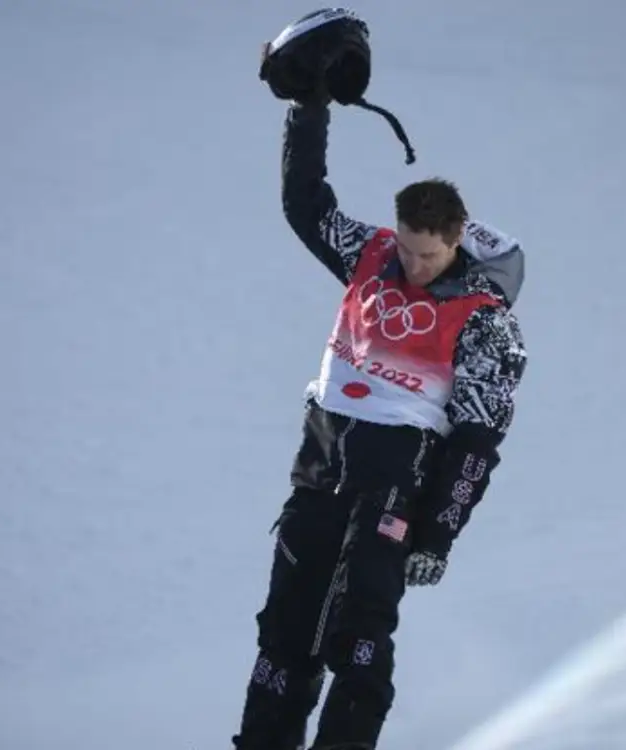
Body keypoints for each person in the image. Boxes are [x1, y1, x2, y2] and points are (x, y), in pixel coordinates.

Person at [231, 10, 528, 750]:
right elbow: (306, 204)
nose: (413, 266)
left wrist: (439, 534)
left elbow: (478, 440)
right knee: (284, 635)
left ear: (456, 243)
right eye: (406, 249)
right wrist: (309, 106)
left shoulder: (485, 320)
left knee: (359, 641)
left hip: (393, 486)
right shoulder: (369, 255)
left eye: (428, 256)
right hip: (321, 467)